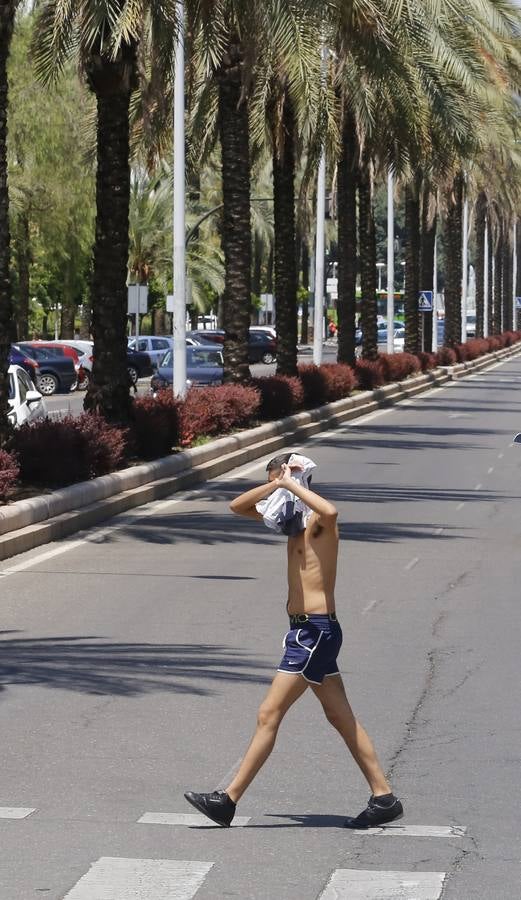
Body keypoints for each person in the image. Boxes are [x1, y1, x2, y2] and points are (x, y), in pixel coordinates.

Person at [184, 453, 403, 828]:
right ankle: (384, 797)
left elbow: (332, 512)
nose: (274, 500)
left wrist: (290, 484)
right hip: (304, 632)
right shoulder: (290, 522)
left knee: (270, 713)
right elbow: (238, 506)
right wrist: (275, 485)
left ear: (299, 481)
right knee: (341, 717)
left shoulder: (319, 523)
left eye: (281, 484)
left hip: (314, 632)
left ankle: (228, 800)